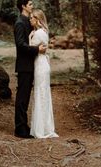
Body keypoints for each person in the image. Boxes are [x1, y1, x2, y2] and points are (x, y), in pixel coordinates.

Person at [14, 0, 46, 138]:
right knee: (22, 97)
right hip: (24, 66)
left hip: (32, 65)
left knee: (26, 97)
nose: (32, 6)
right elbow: (20, 46)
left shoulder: (29, 21)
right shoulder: (20, 23)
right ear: (23, 6)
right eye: (30, 4)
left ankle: (25, 126)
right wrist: (37, 50)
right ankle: (20, 129)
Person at [29, 9, 58, 138]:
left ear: (37, 20)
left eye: (32, 18)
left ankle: (41, 129)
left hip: (40, 65)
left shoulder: (38, 33)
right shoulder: (42, 32)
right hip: (42, 64)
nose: (30, 20)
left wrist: (30, 38)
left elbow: (32, 49)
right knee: (42, 93)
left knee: (40, 93)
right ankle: (45, 127)